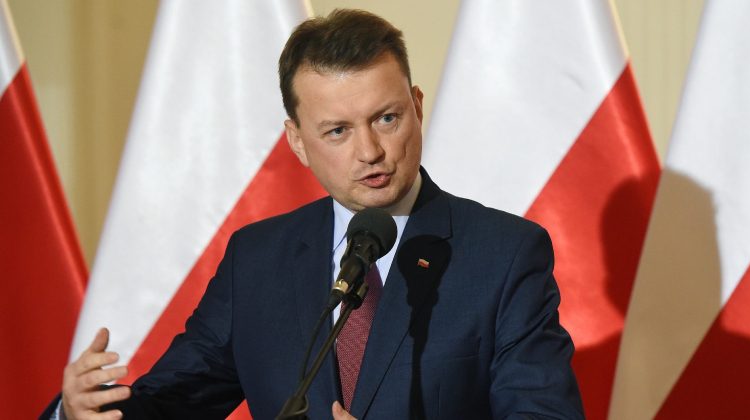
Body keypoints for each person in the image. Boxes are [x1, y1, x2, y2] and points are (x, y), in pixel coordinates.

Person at [49, 9, 583, 420]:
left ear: (417, 107)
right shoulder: (257, 259)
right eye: (338, 131)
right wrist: (80, 412)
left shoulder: (503, 255)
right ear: (298, 141)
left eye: (387, 118)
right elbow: (171, 404)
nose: (370, 151)